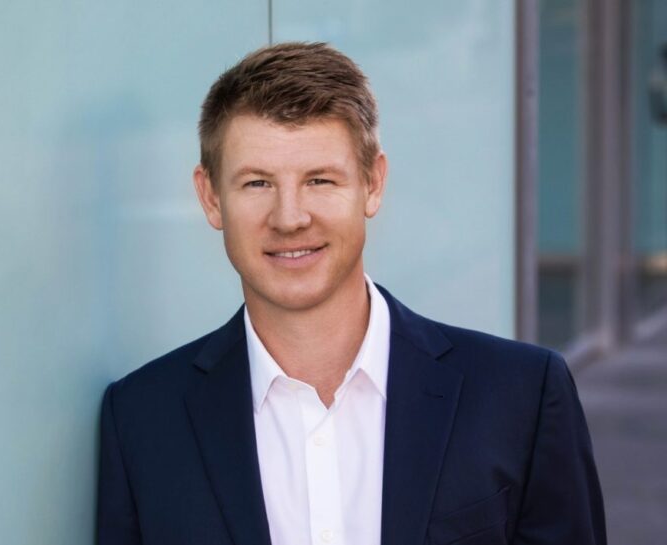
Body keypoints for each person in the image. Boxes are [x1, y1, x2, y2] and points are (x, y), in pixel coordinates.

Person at [96, 42, 606, 545]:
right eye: (257, 184)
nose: (290, 218)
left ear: (372, 183)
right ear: (210, 197)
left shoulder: (521, 395)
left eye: (319, 180)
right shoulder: (142, 420)